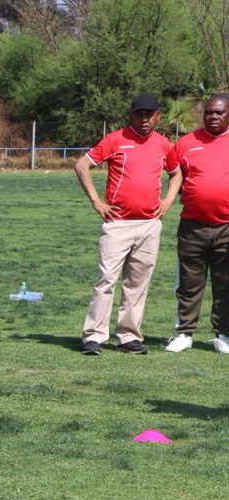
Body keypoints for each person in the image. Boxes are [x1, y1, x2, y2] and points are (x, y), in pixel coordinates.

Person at [75, 93, 179, 356]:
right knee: (106, 279)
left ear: (158, 117)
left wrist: (168, 200)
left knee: (137, 282)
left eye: (150, 114)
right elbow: (82, 165)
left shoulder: (164, 144)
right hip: (117, 224)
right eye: (140, 114)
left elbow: (176, 173)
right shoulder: (116, 139)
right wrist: (96, 201)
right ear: (131, 116)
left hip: (149, 225)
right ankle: (94, 336)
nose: (145, 120)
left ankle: (129, 336)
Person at [163, 93, 229, 354]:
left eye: (219, 112)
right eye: (209, 112)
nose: (214, 116)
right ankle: (184, 333)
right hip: (193, 226)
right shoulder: (186, 143)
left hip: (227, 227)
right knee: (189, 283)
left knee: (226, 283)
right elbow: (176, 178)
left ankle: (223, 334)